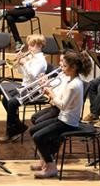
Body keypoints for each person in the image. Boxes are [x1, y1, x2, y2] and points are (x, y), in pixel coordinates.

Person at [29, 50, 89, 178]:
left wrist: (50, 93)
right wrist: (49, 90)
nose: (62, 68)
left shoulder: (74, 85)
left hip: (68, 122)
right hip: (63, 118)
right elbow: (61, 100)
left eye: (65, 66)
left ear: (74, 68)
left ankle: (51, 167)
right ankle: (45, 161)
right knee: (33, 130)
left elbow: (62, 105)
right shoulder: (70, 80)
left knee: (38, 137)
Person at [0, 34, 48, 142]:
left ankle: (10, 132)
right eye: (29, 45)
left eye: (32, 45)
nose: (29, 48)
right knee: (5, 99)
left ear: (39, 46)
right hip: (25, 86)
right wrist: (20, 64)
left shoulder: (41, 61)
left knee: (12, 102)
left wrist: (25, 63)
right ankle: (18, 125)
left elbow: (33, 75)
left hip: (34, 90)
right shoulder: (31, 57)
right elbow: (22, 73)